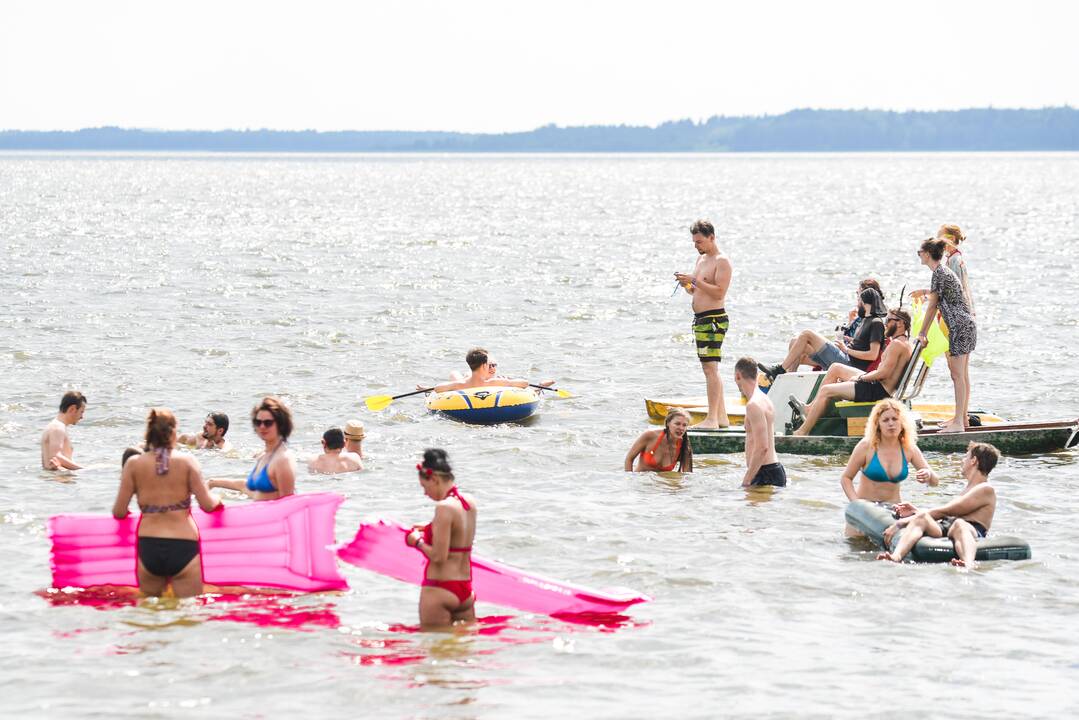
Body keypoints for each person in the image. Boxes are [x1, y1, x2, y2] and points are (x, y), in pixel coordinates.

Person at [111, 408, 222, 598]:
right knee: (188, 614)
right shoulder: (187, 461)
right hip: (184, 545)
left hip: (149, 546)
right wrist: (218, 498)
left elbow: (119, 512)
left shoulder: (133, 464)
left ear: (149, 433)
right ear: (173, 433)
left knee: (150, 615)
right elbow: (207, 505)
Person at [792, 308, 913, 436]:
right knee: (836, 368)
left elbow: (883, 373)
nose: (885, 324)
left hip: (877, 390)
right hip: (878, 385)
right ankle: (810, 408)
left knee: (826, 390)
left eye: (888, 320)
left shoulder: (897, 345)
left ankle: (803, 431)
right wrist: (864, 376)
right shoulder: (904, 343)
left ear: (900, 323)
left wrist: (861, 378)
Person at [877, 442, 1000, 567]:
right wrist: (917, 512)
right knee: (922, 518)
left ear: (973, 460)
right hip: (948, 526)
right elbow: (946, 513)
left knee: (960, 524)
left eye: (966, 457)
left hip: (970, 529)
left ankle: (968, 563)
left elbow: (947, 511)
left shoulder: (985, 489)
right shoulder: (968, 487)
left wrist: (900, 523)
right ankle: (896, 556)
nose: (963, 460)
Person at [405, 449, 477, 629]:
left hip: (440, 590)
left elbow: (439, 556)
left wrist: (417, 542)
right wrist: (430, 527)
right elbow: (457, 536)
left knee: (435, 649)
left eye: (425, 486)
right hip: (466, 592)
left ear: (435, 480)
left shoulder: (443, 508)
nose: (425, 493)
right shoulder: (468, 502)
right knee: (463, 651)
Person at [839, 400, 937, 531]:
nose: (891, 423)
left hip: (892, 512)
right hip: (865, 511)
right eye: (885, 420)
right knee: (855, 549)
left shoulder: (909, 448)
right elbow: (846, 478)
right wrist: (856, 504)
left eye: (895, 419)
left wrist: (928, 475)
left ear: (902, 423)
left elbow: (935, 482)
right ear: (877, 424)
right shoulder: (866, 446)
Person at [673, 219, 732, 428]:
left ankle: (712, 419)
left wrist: (695, 281)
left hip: (714, 319)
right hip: (701, 320)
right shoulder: (701, 260)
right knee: (711, 369)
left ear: (711, 238)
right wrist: (687, 284)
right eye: (694, 242)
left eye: (699, 242)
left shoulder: (722, 261)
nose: (696, 245)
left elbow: (719, 292)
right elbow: (696, 290)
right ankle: (722, 417)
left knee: (710, 369)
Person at [916, 237, 977, 433]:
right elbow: (936, 300)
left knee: (957, 375)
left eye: (920, 252)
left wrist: (922, 332)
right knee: (961, 375)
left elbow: (933, 306)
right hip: (964, 324)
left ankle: (959, 423)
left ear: (927, 254)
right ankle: (962, 419)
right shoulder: (942, 272)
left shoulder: (939, 273)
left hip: (960, 326)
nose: (919, 255)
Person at [762, 285, 887, 379]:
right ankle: (787, 380)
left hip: (849, 363)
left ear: (865, 303)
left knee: (807, 334)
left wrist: (846, 349)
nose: (857, 304)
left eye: (859, 301)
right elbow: (863, 345)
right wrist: (850, 341)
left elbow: (873, 355)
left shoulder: (876, 322)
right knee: (797, 342)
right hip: (845, 357)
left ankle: (780, 369)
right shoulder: (866, 320)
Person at [209, 396, 296, 500]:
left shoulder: (283, 459)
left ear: (281, 424)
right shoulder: (264, 456)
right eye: (258, 422)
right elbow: (249, 489)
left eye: (268, 423)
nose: (262, 427)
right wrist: (213, 482)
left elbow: (289, 504)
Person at [733, 358, 785, 487]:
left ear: (738, 376)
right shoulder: (766, 399)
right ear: (757, 376)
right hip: (772, 470)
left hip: (765, 473)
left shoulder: (753, 405)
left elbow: (762, 447)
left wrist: (747, 479)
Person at [911, 224, 975, 315]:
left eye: (940, 239)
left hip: (958, 316)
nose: (937, 243)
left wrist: (925, 293)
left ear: (952, 239)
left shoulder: (955, 261)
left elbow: (954, 293)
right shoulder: (953, 258)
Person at [428, 348, 553, 393]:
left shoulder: (460, 384)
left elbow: (438, 388)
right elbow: (524, 383)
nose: (492, 367)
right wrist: (506, 381)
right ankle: (540, 387)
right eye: (490, 364)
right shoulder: (493, 383)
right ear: (483, 366)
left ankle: (540, 387)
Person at [624, 408, 693, 472]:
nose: (681, 428)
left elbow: (687, 474)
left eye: (684, 425)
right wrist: (629, 479)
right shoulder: (650, 436)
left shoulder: (684, 447)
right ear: (668, 423)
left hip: (664, 484)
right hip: (642, 482)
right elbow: (629, 459)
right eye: (677, 424)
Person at [41, 391, 87, 470]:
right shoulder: (57, 427)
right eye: (81, 412)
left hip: (55, 477)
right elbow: (55, 456)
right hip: (58, 478)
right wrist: (82, 469)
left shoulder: (56, 426)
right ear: (72, 409)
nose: (82, 417)